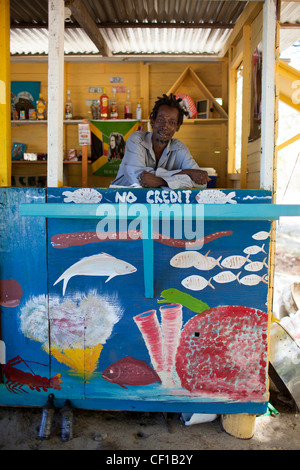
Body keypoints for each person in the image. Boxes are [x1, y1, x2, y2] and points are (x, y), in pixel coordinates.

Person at [111, 93, 211, 189]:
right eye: (160, 120)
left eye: (171, 122)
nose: (165, 126)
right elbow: (138, 178)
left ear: (177, 127)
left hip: (155, 203)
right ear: (152, 122)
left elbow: (201, 183)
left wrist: (160, 181)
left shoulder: (179, 148)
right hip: (119, 201)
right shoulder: (137, 139)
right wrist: (187, 173)